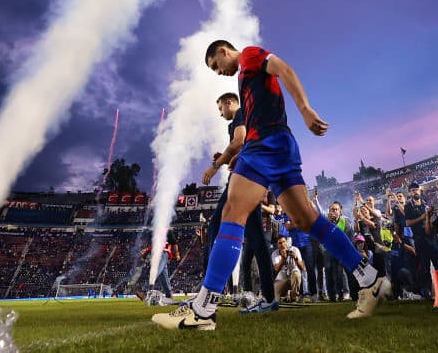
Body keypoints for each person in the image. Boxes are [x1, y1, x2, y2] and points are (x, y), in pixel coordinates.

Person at [151, 41, 389, 331]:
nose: (218, 72)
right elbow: (261, 115)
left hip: (266, 145)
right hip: (278, 146)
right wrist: (238, 155)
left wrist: (304, 108)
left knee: (232, 213)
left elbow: (283, 68)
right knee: (306, 220)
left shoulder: (250, 55)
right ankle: (369, 277)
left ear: (225, 52)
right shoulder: (244, 78)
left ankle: (203, 310)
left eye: (216, 65)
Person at [201, 92, 277, 313]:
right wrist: (227, 157)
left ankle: (206, 295)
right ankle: (270, 299)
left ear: (228, 103)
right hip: (251, 175)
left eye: (220, 109)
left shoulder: (240, 114)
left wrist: (214, 166)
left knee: (215, 226)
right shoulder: (241, 119)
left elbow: (239, 141)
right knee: (257, 240)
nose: (220, 113)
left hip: (244, 178)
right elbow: (243, 147)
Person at [271, 235, 305, 302]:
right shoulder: (275, 253)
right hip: (282, 280)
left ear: (286, 242)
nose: (282, 244)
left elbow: (302, 267)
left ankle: (293, 297)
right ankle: (286, 296)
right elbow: (276, 269)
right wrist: (283, 259)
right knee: (276, 298)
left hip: (293, 280)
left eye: (284, 242)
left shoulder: (295, 249)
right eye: (280, 243)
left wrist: (296, 258)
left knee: (296, 273)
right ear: (277, 245)